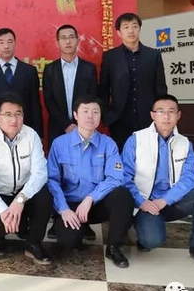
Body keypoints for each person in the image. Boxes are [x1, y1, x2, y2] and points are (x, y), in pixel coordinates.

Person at [122, 94, 194, 268]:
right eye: (160, 111)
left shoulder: (184, 143)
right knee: (151, 241)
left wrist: (165, 200)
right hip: (145, 203)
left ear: (178, 115)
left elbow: (190, 178)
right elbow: (124, 177)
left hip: (172, 201)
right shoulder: (136, 140)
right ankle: (142, 231)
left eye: (171, 112)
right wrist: (141, 202)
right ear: (152, 115)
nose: (166, 116)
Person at [47, 95, 134, 268]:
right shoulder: (59, 144)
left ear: (100, 116)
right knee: (70, 241)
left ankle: (114, 247)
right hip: (71, 205)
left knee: (123, 195)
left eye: (95, 112)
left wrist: (90, 198)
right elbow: (52, 180)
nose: (90, 116)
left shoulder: (108, 144)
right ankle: (71, 226)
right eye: (85, 111)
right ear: (75, 115)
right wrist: (63, 209)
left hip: (96, 204)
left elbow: (115, 177)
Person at [0, 93, 52, 264]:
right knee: (1, 227)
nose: (14, 119)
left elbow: (40, 173)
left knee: (45, 195)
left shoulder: (31, 135)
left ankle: (33, 243)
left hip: (24, 193)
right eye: (8, 114)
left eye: (18, 114)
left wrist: (21, 199)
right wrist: (3, 210)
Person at [42, 24, 98, 241]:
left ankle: (85, 221)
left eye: (71, 37)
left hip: (84, 128)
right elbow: (49, 100)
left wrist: (80, 123)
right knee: (59, 174)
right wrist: (67, 124)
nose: (67, 41)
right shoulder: (50, 69)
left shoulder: (89, 69)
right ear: (57, 42)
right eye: (63, 38)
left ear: (77, 40)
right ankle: (58, 218)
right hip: (58, 128)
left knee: (85, 173)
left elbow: (92, 99)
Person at [98, 13, 167, 151]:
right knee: (121, 157)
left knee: (149, 157)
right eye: (126, 27)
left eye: (134, 26)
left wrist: (160, 115)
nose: (131, 30)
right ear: (118, 32)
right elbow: (103, 90)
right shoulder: (110, 57)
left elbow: (161, 89)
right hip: (119, 120)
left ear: (139, 29)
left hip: (148, 119)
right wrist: (107, 115)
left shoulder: (153, 55)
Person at [0, 28, 43, 138]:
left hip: (25, 131)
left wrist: (38, 134)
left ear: (15, 44)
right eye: (1, 42)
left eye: (10, 42)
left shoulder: (29, 71)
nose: (6, 46)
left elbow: (35, 105)